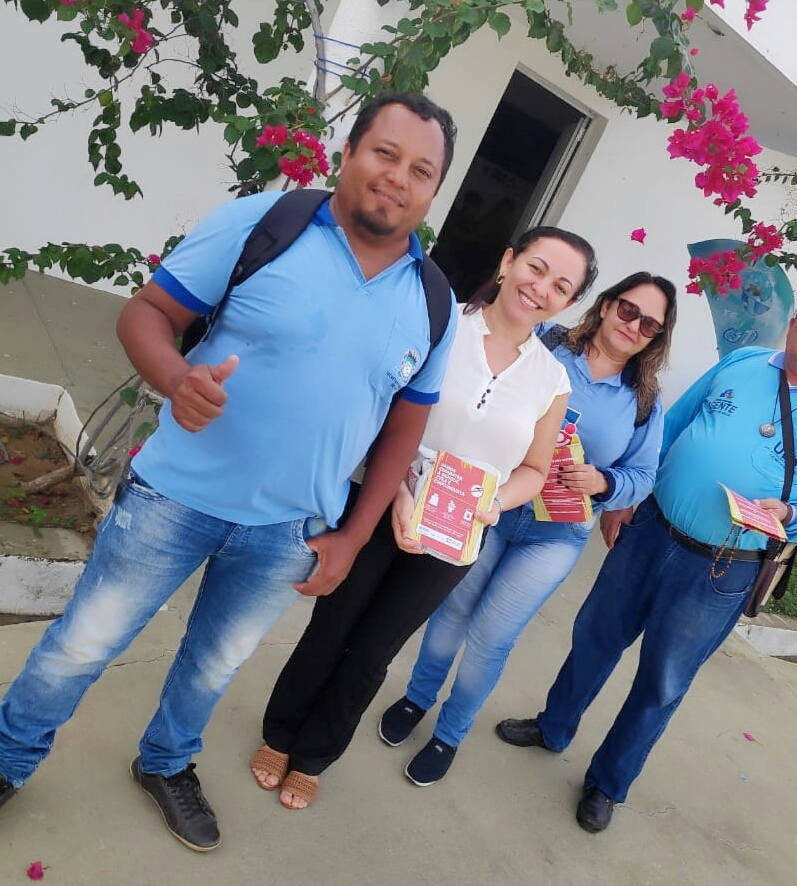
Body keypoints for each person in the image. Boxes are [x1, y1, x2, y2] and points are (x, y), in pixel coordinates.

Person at [0, 91, 459, 852]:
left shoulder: (433, 302)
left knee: (213, 666)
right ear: (349, 152)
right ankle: (8, 758)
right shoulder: (264, 225)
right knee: (81, 645)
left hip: (289, 530)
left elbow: (403, 431)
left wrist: (352, 538)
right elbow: (146, 314)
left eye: (421, 169)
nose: (398, 178)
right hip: (174, 498)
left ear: (434, 188)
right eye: (385, 153)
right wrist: (178, 379)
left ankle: (166, 762)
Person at [495, 281, 797, 833]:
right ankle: (553, 726)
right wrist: (629, 497)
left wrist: (795, 516)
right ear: (793, 322)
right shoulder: (743, 363)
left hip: (723, 567)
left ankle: (607, 783)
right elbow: (669, 429)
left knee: (662, 680)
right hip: (652, 528)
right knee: (595, 635)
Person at [253, 226, 598, 809]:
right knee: (332, 627)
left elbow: (536, 469)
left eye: (561, 287)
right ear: (508, 260)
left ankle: (314, 755)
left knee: (375, 650)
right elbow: (382, 411)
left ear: (569, 303)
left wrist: (492, 504)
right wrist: (398, 492)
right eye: (536, 268)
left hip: (455, 535)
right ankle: (280, 735)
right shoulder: (441, 324)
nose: (541, 289)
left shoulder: (552, 379)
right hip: (379, 501)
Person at [377, 271, 678, 786]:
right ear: (606, 305)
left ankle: (450, 732)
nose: (634, 326)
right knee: (452, 610)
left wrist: (605, 482)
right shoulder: (547, 344)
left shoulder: (643, 399)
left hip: (555, 535)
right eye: (629, 310)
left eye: (650, 325)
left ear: (657, 338)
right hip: (489, 508)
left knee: (492, 637)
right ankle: (417, 698)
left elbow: (644, 475)